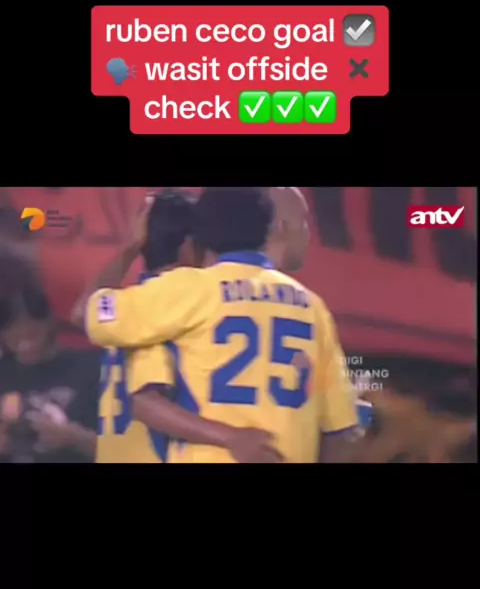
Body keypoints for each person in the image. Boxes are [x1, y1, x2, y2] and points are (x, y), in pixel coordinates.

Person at [81, 186, 358, 464]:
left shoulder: (184, 290)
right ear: (268, 226)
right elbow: (340, 426)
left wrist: (131, 248)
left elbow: (93, 311)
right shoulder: (313, 307)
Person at [72, 190, 282, 464]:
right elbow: (146, 404)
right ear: (189, 245)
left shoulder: (127, 307)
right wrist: (232, 437)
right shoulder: (167, 312)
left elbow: (83, 312)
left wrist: (130, 247)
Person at [0, 278, 100, 464]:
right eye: (10, 325)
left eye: (33, 325)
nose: (22, 329)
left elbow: (127, 450)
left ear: (50, 320)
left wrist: (76, 438)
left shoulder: (92, 367)